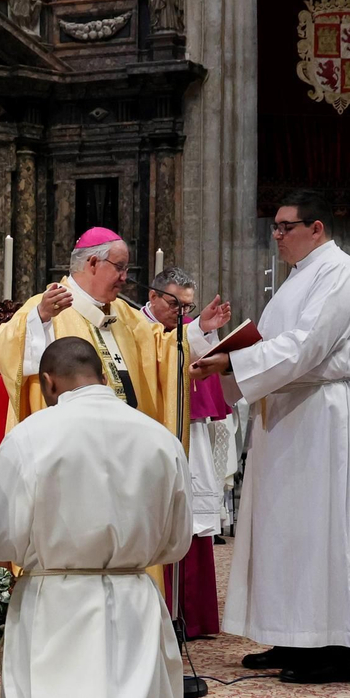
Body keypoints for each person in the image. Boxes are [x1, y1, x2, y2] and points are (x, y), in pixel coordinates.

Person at [0, 338, 219, 698]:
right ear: (104, 376)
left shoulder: (31, 438)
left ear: (48, 383)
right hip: (134, 593)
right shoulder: (158, 438)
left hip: (57, 600)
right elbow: (177, 541)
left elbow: (0, 536)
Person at [191, 190, 350, 683]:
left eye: (286, 227)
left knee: (327, 528)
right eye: (275, 226)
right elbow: (277, 345)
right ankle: (293, 635)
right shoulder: (299, 279)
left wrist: (235, 361)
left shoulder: (341, 274)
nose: (277, 235)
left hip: (327, 416)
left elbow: (306, 347)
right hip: (291, 414)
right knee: (289, 527)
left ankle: (335, 650)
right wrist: (233, 352)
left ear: (317, 229)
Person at [0, 226, 230, 436]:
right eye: (120, 267)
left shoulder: (124, 313)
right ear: (93, 263)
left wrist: (200, 327)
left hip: (129, 439)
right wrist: (40, 320)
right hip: (74, 441)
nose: (125, 278)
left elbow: (162, 349)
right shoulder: (45, 306)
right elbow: (5, 347)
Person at [144, 266, 227, 638]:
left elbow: (196, 362)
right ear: (153, 296)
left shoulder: (186, 328)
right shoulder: (133, 326)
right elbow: (158, 355)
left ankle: (192, 616)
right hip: (146, 433)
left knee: (192, 518)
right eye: (175, 304)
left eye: (187, 307)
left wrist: (206, 331)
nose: (182, 314)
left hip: (187, 429)